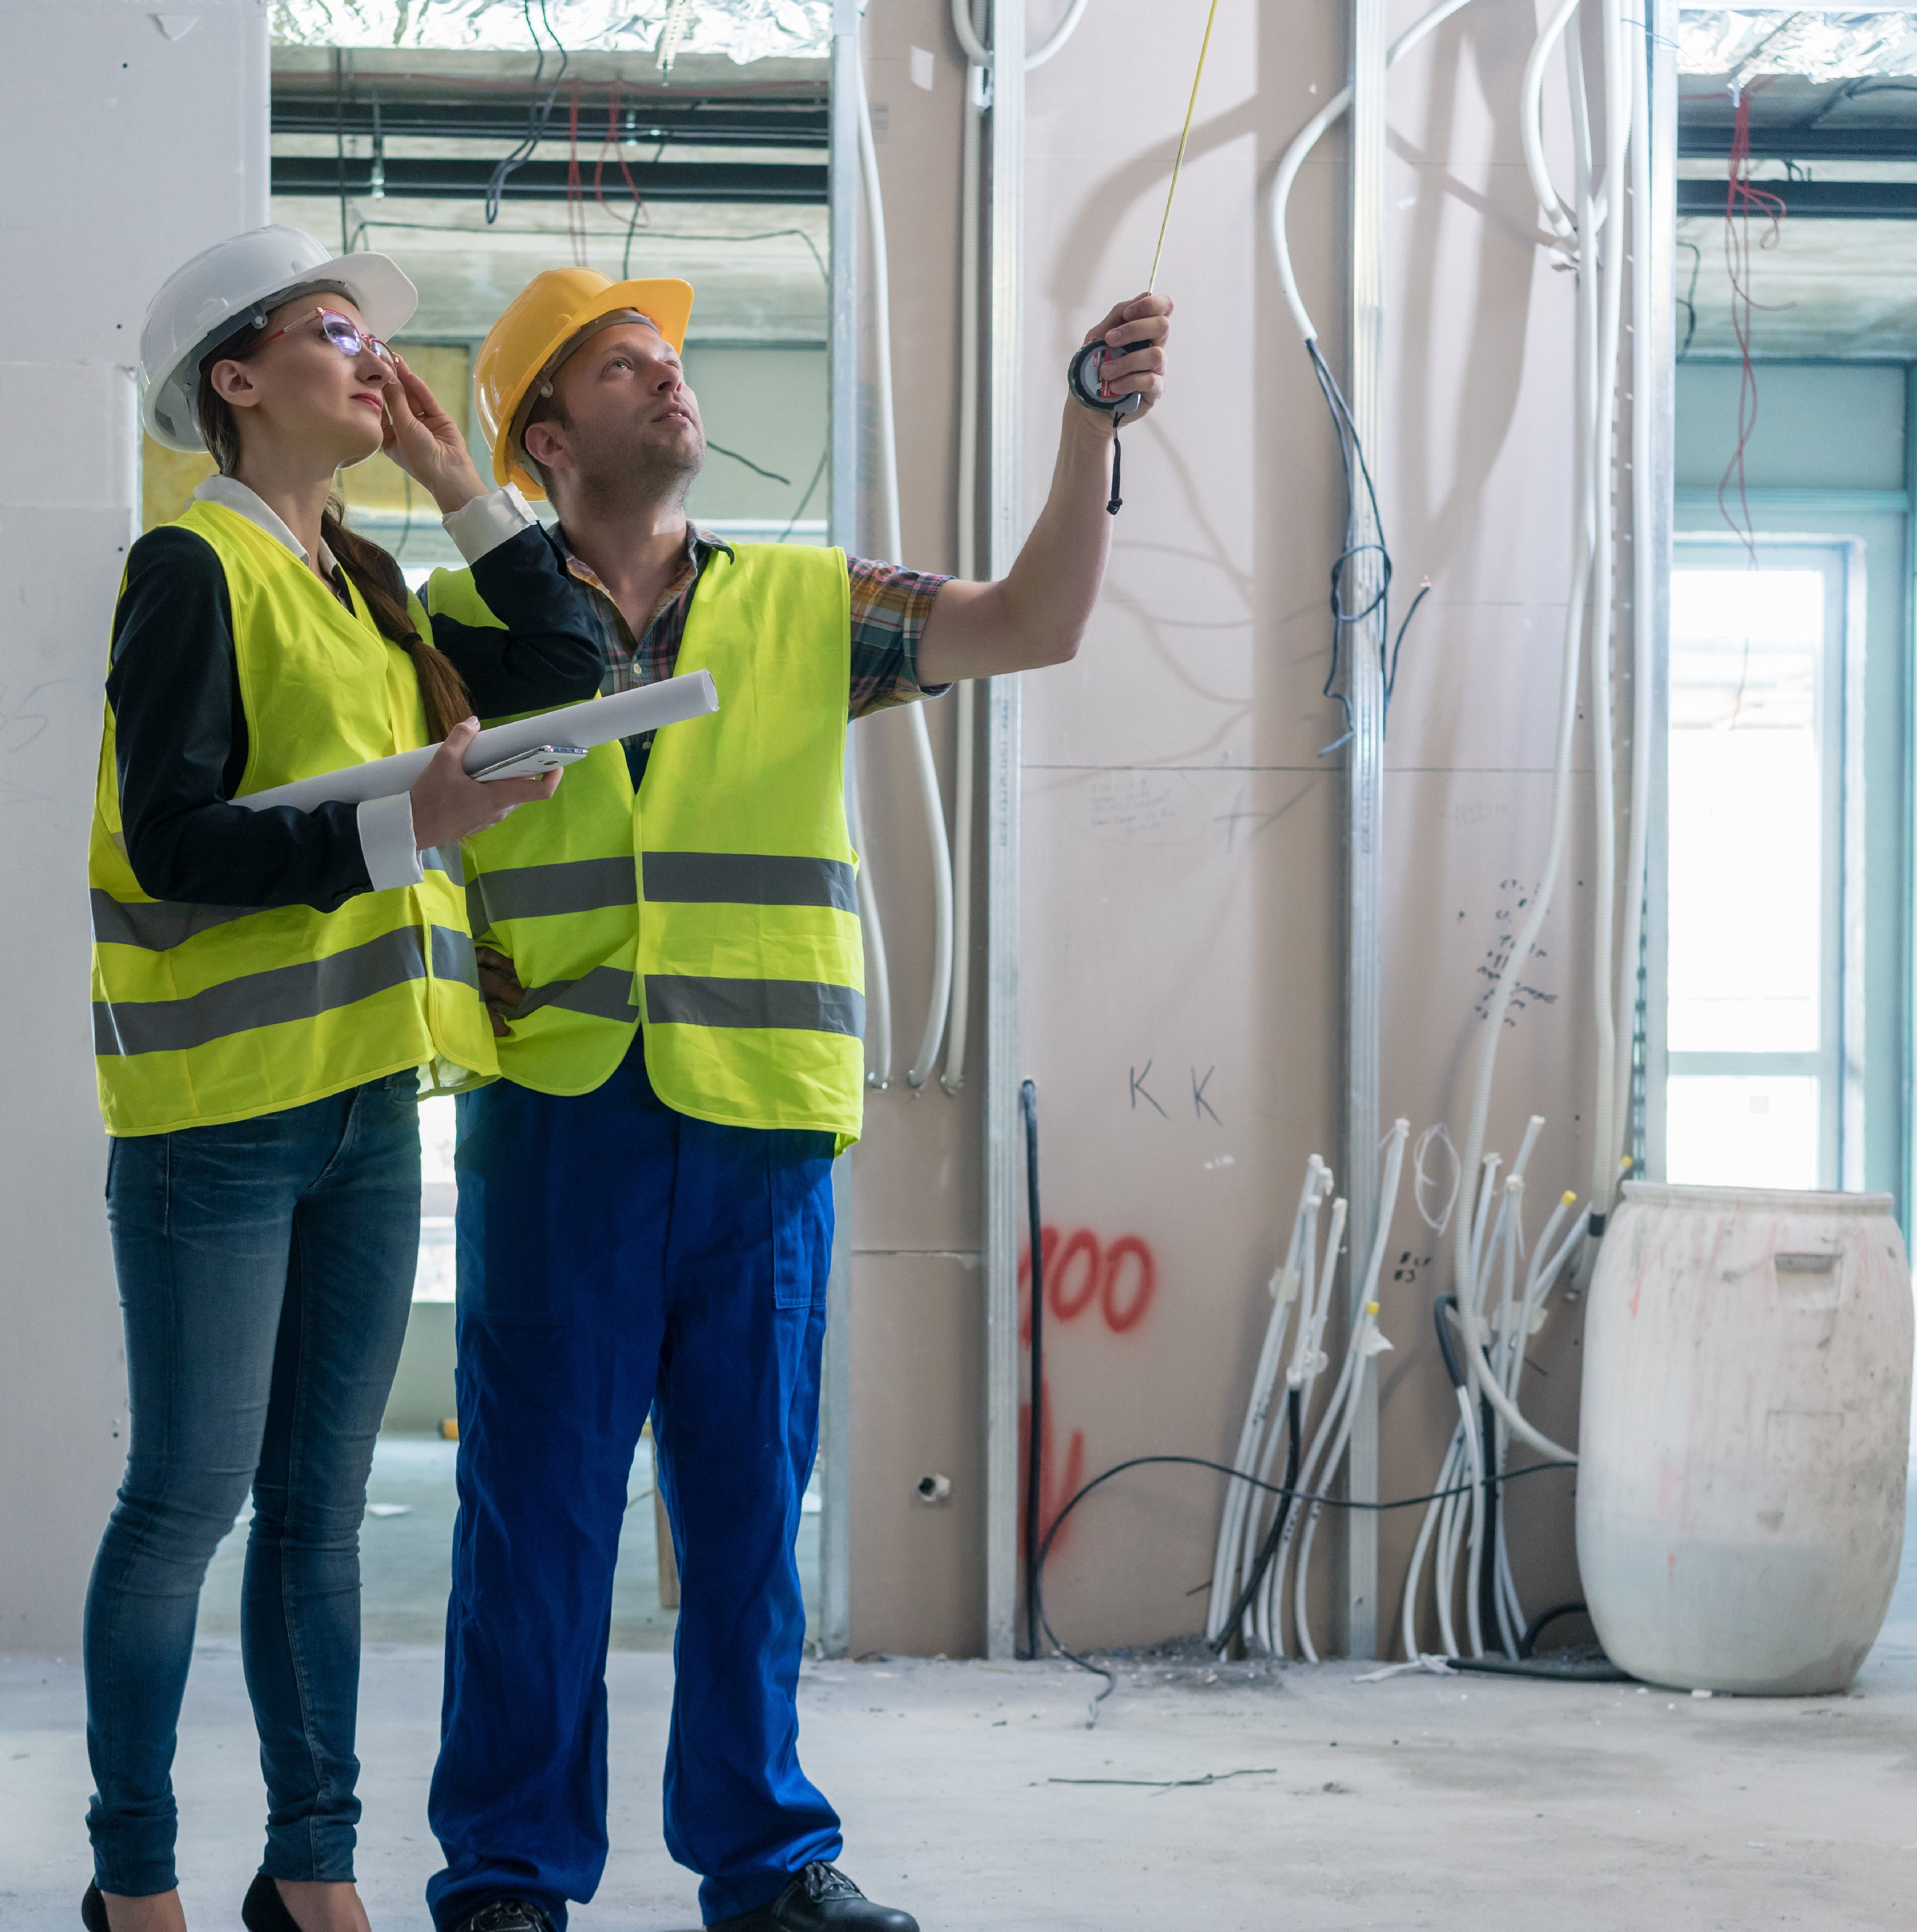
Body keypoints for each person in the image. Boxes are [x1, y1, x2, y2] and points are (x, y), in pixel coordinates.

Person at [414, 267, 1172, 1932]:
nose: (670, 381)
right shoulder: (458, 626)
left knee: (747, 1513)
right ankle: (507, 1874)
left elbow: (1034, 619)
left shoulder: (806, 602)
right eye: (626, 368)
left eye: (671, 360)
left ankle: (763, 1864)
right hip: (557, 1114)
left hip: (757, 1121)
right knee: (531, 1518)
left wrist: (1084, 428)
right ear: (545, 436)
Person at [81, 227, 604, 1932]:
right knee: (186, 1504)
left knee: (319, 1515)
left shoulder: (365, 585)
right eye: (331, 332)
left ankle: (312, 1869)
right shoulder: (193, 564)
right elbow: (171, 840)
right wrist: (412, 822)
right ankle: (135, 1880)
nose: (368, 359)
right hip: (218, 1127)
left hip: (370, 1108)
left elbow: (564, 662)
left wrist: (460, 480)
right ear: (236, 381)